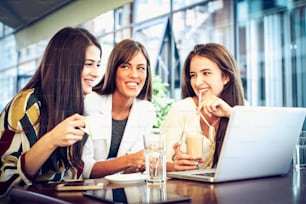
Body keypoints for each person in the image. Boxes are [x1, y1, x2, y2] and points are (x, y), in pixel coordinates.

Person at [0, 27, 102, 197]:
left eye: (98, 65)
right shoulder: (28, 103)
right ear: (66, 65)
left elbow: (71, 177)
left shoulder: (75, 107)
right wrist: (52, 140)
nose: (96, 73)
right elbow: (5, 179)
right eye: (89, 64)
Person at [161, 43, 245, 172]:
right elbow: (154, 162)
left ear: (226, 77)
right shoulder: (182, 109)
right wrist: (174, 166)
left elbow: (260, 156)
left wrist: (231, 114)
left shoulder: (240, 109)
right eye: (193, 75)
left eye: (206, 73)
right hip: (184, 190)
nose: (197, 82)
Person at [82, 39, 156, 179]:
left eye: (141, 68)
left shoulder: (147, 111)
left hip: (125, 191)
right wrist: (129, 160)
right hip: (89, 191)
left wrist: (143, 163)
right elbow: (84, 168)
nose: (134, 75)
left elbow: (132, 168)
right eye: (125, 66)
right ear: (113, 69)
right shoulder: (90, 102)